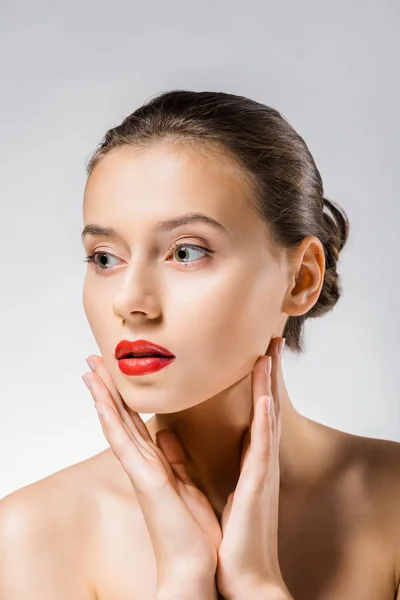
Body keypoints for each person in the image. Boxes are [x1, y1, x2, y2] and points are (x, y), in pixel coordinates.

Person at [0, 90, 399, 600]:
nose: (130, 301)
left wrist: (257, 585)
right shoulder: (33, 534)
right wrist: (183, 582)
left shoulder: (393, 505)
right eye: (104, 258)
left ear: (301, 278)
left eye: (185, 252)